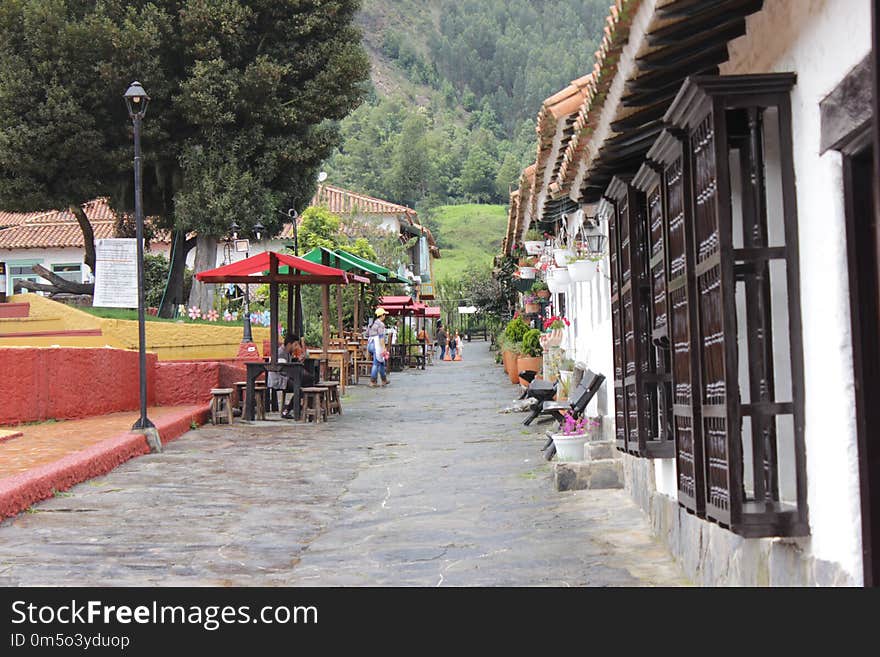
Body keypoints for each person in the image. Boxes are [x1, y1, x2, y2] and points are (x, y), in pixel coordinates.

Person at [268, 333, 315, 419]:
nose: (296, 347)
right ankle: (287, 410)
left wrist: (299, 362)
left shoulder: (288, 353)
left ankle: (302, 406)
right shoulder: (280, 353)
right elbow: (284, 371)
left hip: (286, 378)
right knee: (298, 389)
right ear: (289, 344)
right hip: (279, 380)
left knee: (308, 381)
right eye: (295, 345)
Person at [369, 308, 390, 387]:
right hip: (376, 345)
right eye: (384, 314)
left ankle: (384, 379)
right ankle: (373, 381)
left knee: (381, 362)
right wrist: (384, 348)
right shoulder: (381, 325)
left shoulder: (373, 324)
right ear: (382, 316)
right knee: (376, 363)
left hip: (370, 344)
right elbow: (381, 337)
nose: (385, 316)